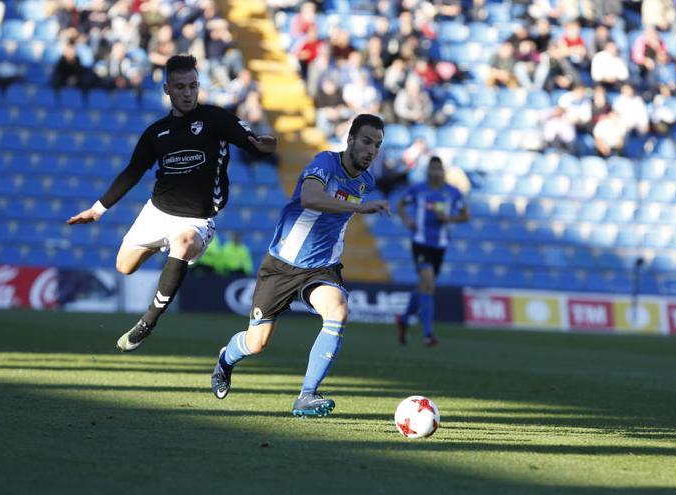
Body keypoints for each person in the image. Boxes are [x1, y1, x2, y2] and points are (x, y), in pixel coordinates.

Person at [66, 54, 277, 351]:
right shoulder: (156, 133)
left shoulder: (216, 119)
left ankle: (148, 322)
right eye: (180, 87)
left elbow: (253, 142)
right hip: (157, 212)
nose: (187, 93)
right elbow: (133, 171)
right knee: (124, 267)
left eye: (192, 86)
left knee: (183, 241)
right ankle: (163, 244)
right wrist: (98, 209)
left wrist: (266, 146)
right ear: (167, 89)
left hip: (197, 219)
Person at [210, 114, 389, 417]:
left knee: (338, 309)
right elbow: (309, 197)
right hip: (283, 264)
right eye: (366, 141)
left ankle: (307, 395)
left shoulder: (366, 182)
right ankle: (226, 359)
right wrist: (358, 208)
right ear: (350, 140)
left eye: (378, 145)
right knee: (256, 343)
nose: (371, 150)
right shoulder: (325, 163)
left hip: (322, 267)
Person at [394, 156, 469, 347]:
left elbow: (465, 215)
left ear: (443, 171)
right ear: (428, 170)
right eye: (432, 168)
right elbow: (401, 204)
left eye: (439, 168)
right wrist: (407, 221)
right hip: (420, 242)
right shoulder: (418, 189)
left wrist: (448, 218)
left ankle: (403, 320)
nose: (436, 172)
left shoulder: (453, 192)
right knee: (429, 284)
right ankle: (428, 334)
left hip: (440, 246)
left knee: (423, 286)